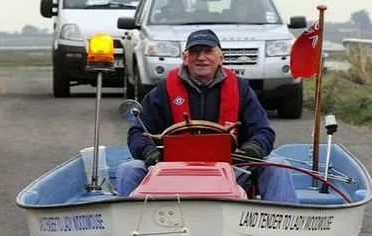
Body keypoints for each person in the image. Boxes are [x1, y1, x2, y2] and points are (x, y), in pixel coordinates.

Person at [116, 29, 298, 203]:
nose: (201, 57)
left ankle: (287, 230)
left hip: (232, 170)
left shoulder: (241, 90)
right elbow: (138, 133)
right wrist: (149, 152)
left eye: (208, 51)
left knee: (277, 165)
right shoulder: (162, 91)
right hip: (170, 172)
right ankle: (127, 227)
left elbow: (263, 131)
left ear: (221, 57)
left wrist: (253, 148)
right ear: (185, 58)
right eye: (195, 52)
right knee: (129, 169)